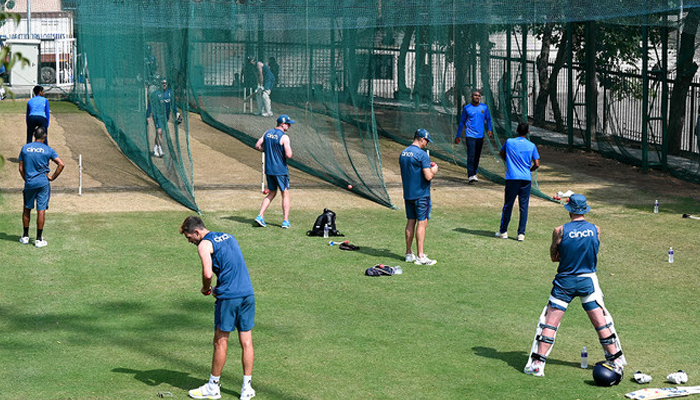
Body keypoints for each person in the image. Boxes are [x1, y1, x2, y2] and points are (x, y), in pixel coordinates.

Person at [523, 194, 626, 377]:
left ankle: (538, 364)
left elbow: (554, 257)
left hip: (565, 281)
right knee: (600, 322)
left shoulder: (560, 231)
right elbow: (593, 253)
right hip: (588, 280)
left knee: (550, 322)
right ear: (585, 209)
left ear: (569, 209)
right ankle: (615, 359)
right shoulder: (596, 229)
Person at [180, 216, 257, 400]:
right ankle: (247, 388)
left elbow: (208, 273)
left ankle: (213, 387)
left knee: (220, 341)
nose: (190, 241)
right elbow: (231, 266)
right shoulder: (229, 236)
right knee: (246, 341)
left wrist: (206, 288)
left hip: (229, 298)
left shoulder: (204, 245)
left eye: (189, 237)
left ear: (197, 232)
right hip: (248, 294)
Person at [18, 126, 64, 248]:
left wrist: (27, 179)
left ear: (34, 135)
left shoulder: (25, 148)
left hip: (29, 182)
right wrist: (52, 177)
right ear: (44, 136)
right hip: (43, 183)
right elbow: (61, 164)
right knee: (41, 210)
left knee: (27, 208)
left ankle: (25, 236)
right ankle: (38, 239)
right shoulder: (48, 150)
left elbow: (21, 168)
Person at [399, 128, 438, 266]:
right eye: (426, 141)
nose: (426, 144)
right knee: (422, 223)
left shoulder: (403, 153)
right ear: (422, 139)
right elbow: (428, 176)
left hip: (408, 194)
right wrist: (434, 169)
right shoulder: (422, 155)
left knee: (410, 222)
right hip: (421, 195)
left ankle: (409, 253)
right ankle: (421, 256)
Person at [495, 122, 540, 241]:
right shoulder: (531, 145)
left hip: (512, 178)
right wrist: (529, 170)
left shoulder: (509, 142)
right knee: (524, 207)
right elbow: (537, 164)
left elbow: (501, 153)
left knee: (508, 205)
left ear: (517, 131)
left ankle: (503, 231)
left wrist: (509, 162)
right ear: (528, 132)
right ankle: (521, 234)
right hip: (526, 179)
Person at [254, 114, 294, 229]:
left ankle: (260, 216)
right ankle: (285, 221)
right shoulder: (284, 137)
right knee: (285, 193)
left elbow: (257, 146)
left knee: (272, 193)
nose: (289, 126)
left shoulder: (267, 132)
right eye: (288, 123)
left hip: (269, 169)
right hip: (280, 170)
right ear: (282, 124)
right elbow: (289, 155)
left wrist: (267, 150)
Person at [454, 90, 493, 183]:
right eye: (475, 95)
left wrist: (490, 129)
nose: (477, 97)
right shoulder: (467, 108)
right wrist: (458, 135)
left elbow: (489, 119)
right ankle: (470, 175)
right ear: (471, 97)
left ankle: (474, 173)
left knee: (477, 155)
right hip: (470, 135)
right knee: (471, 155)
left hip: (480, 136)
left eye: (479, 96)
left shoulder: (484, 107)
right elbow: (462, 122)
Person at [146, 78, 176, 157]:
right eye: (163, 83)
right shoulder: (155, 94)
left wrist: (177, 113)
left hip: (165, 116)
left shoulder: (170, 93)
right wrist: (148, 116)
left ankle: (156, 148)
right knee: (159, 132)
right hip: (157, 115)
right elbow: (150, 106)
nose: (164, 85)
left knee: (160, 133)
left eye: (165, 84)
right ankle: (159, 149)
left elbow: (173, 105)